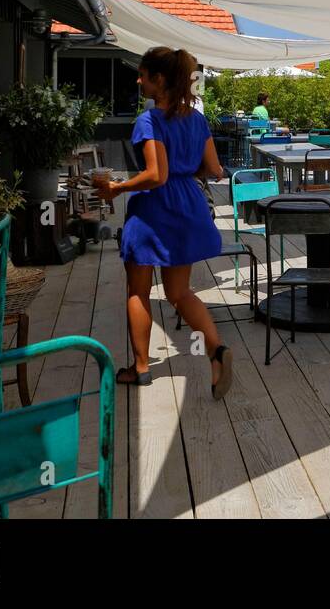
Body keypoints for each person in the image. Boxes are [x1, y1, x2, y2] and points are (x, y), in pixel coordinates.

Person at [92, 47, 233, 399]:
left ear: (160, 79)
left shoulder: (149, 120)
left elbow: (156, 175)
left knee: (138, 291)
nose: (138, 80)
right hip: (187, 205)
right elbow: (214, 169)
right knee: (179, 292)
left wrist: (117, 188)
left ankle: (140, 368)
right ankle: (216, 350)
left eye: (143, 75)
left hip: (155, 209)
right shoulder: (197, 119)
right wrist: (187, 169)